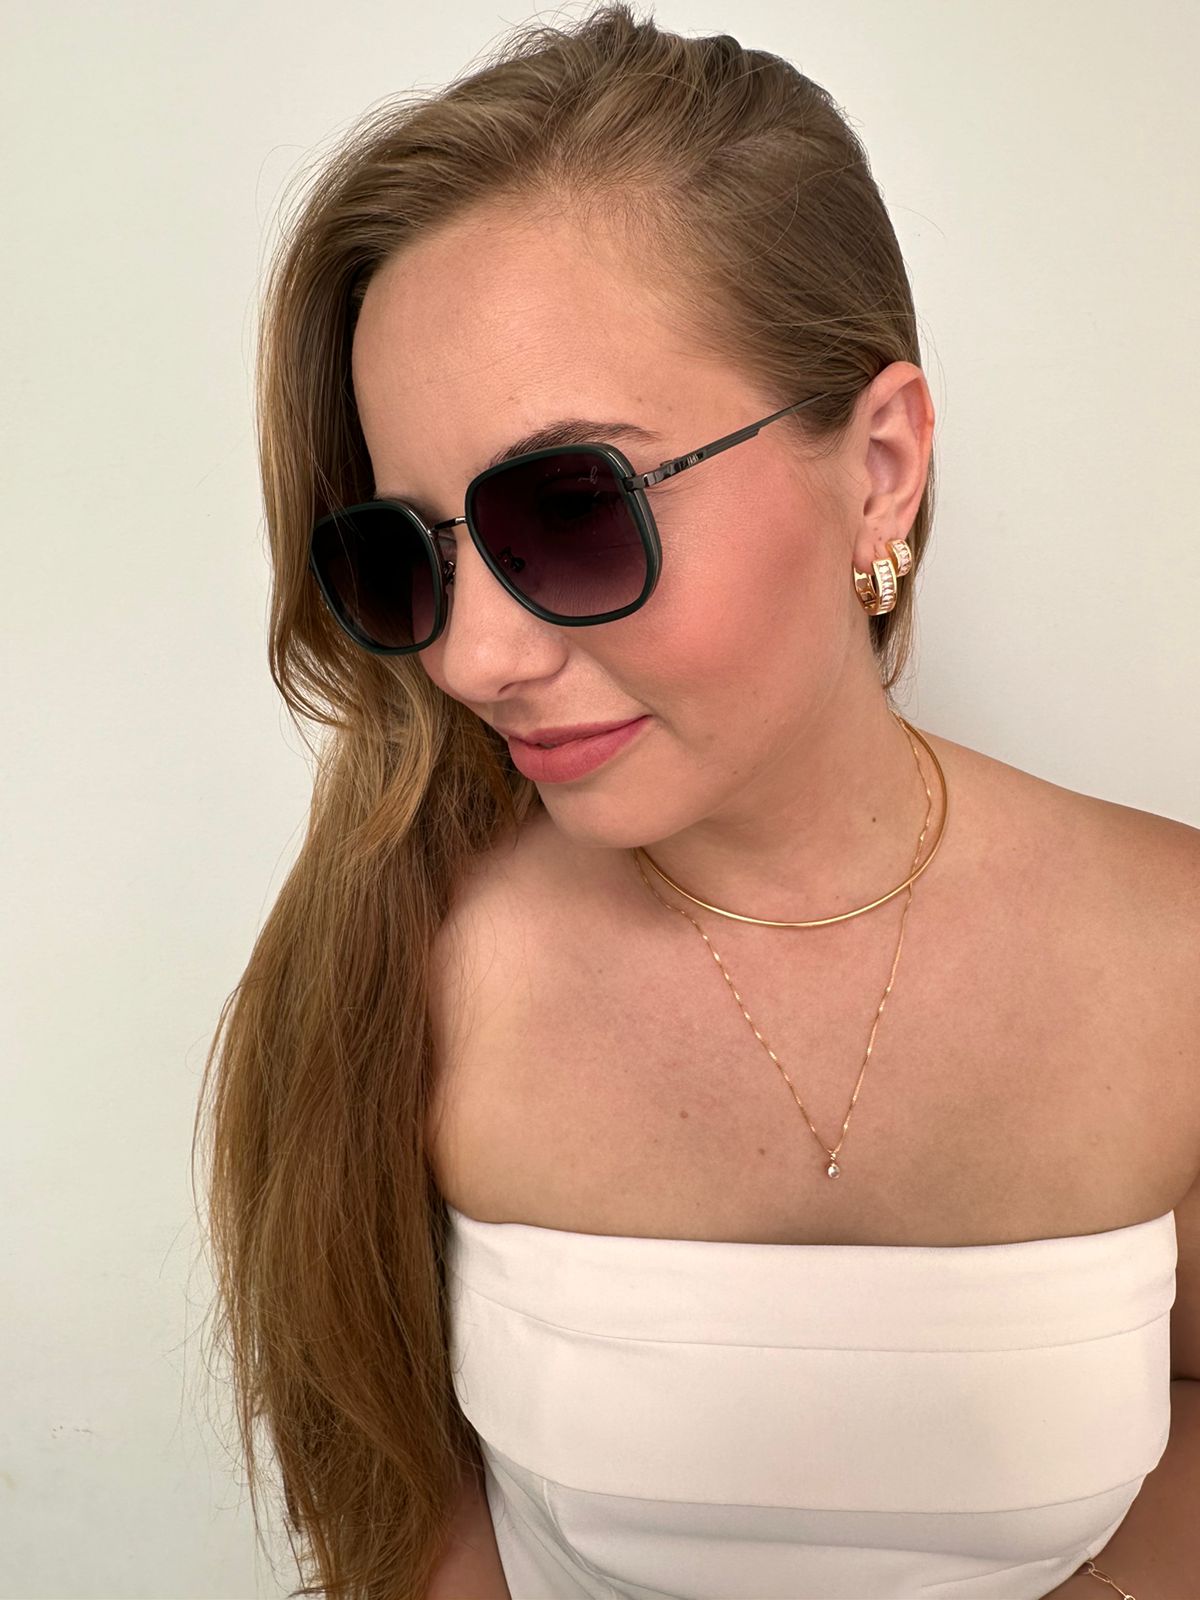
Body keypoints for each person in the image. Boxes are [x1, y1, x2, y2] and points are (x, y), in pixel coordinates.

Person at [196, 5, 1200, 1598]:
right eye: (409, 553)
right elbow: (392, 1493)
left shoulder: (1177, 955)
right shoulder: (403, 961)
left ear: (879, 464)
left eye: (570, 510)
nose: (471, 658)